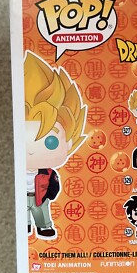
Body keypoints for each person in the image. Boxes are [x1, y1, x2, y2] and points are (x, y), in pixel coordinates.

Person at [24, 51, 87, 238]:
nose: (31, 151)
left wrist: (50, 194)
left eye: (50, 142)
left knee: (41, 212)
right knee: (23, 214)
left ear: (69, 142)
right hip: (21, 197)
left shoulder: (49, 173)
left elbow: (54, 186)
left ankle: (43, 227)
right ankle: (25, 226)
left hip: (40, 196)